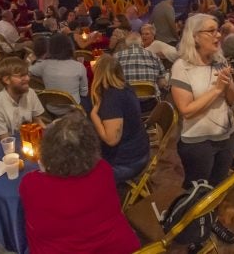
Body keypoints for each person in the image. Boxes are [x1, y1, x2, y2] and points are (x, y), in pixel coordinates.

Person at [19, 112, 140, 253]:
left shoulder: (31, 184)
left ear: (47, 150)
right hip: (117, 248)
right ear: (91, 146)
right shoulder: (103, 170)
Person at [170, 13, 234, 246]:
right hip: (197, 142)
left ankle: (211, 222)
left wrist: (228, 86)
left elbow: (233, 99)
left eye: (218, 29)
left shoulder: (220, 61)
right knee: (197, 193)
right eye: (211, 30)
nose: (218, 35)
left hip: (226, 136)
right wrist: (218, 89)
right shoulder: (182, 67)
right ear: (195, 36)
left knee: (217, 189)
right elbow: (186, 110)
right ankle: (194, 235)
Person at [89, 55, 149, 184]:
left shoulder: (112, 98)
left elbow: (111, 140)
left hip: (128, 162)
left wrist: (94, 116)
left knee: (80, 169)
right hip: (139, 150)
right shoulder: (125, 87)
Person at [0, 57, 45, 144]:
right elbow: (6, 141)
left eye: (27, 74)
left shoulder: (30, 93)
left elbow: (38, 121)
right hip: (5, 150)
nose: (27, 78)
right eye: (22, 76)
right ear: (7, 80)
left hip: (28, 141)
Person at [29, 33, 88, 112]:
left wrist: (31, 60)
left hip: (51, 109)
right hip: (73, 109)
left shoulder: (43, 65)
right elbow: (84, 93)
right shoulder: (79, 66)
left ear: (50, 48)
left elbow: (26, 71)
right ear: (70, 47)